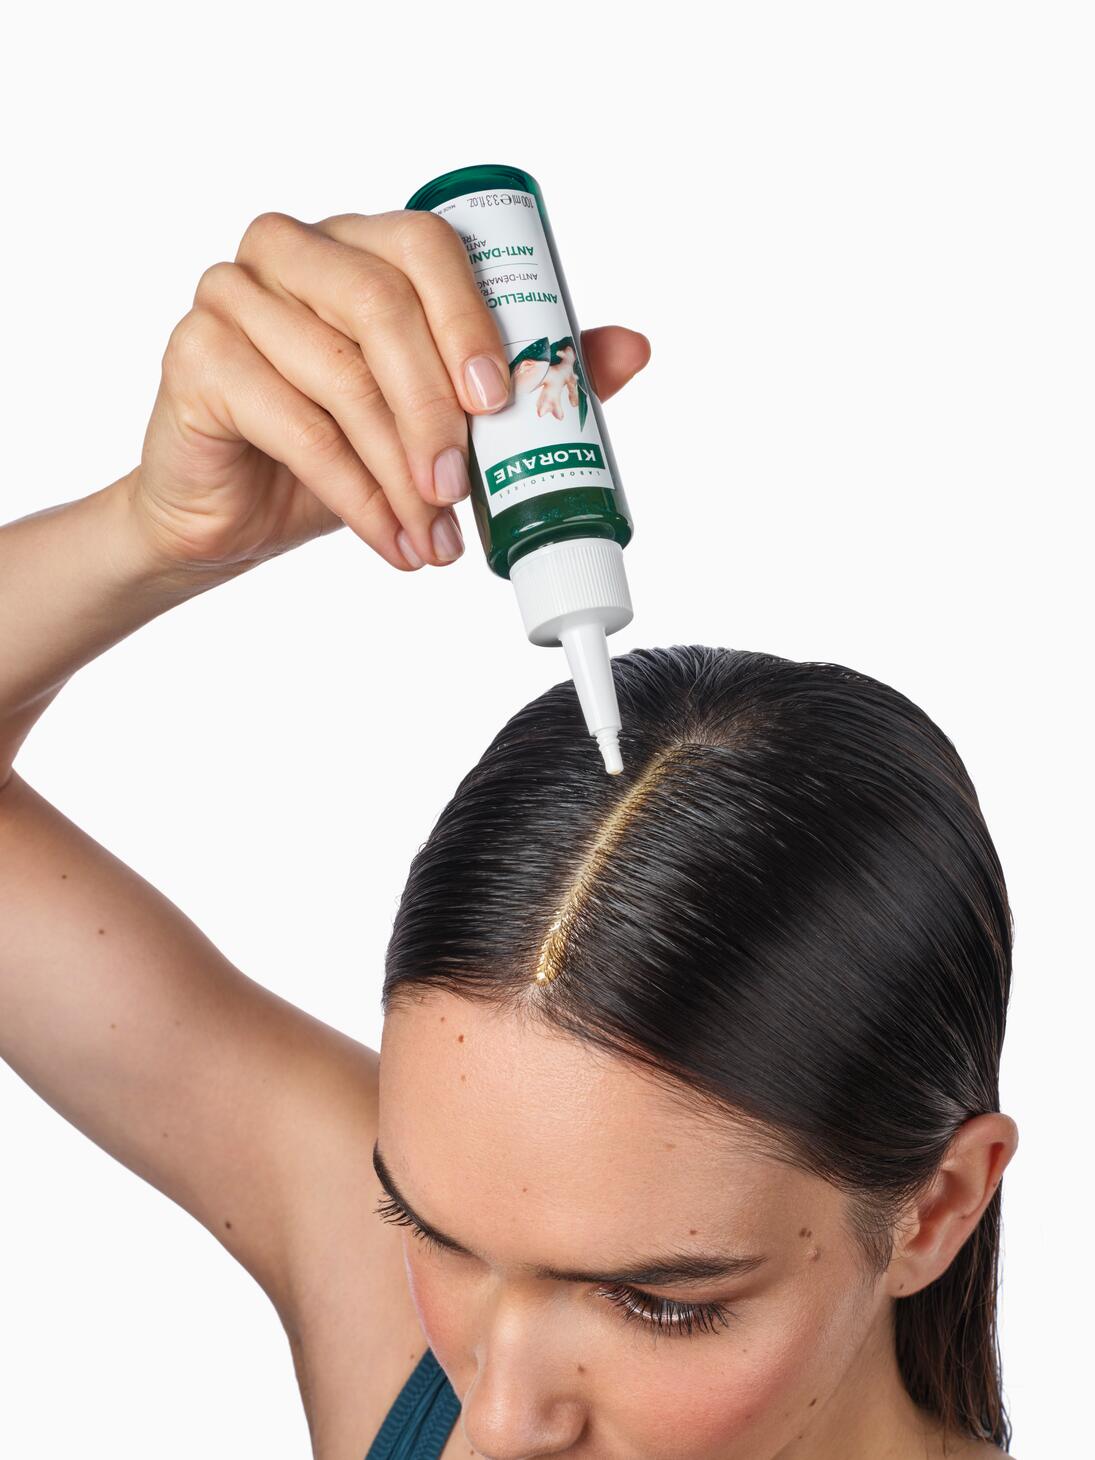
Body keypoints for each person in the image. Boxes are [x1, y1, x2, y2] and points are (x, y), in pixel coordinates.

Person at [0, 208, 1017, 1460]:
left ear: (936, 1207)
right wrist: (152, 535)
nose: (496, 1419)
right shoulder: (389, 1332)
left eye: (654, 1301)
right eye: (432, 1232)